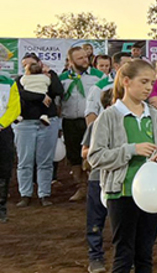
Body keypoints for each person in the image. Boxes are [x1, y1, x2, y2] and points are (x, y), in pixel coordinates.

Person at [87, 59, 157, 273]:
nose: (149, 87)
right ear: (126, 81)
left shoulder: (156, 117)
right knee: (124, 254)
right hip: (121, 193)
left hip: (151, 195)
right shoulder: (109, 117)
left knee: (145, 254)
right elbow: (95, 157)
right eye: (144, 82)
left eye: (152, 82)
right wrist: (130, 150)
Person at [14, 54, 63, 207]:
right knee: (24, 161)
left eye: (31, 64)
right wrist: (41, 96)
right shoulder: (19, 79)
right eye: (25, 65)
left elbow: (58, 90)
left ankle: (44, 194)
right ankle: (25, 194)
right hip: (25, 123)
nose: (28, 67)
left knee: (45, 161)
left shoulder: (48, 78)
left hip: (48, 122)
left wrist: (52, 74)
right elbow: (19, 94)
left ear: (40, 64)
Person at [60, 46, 108, 202]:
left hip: (91, 121)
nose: (85, 60)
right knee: (74, 155)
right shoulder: (63, 78)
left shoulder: (99, 77)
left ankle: (95, 186)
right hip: (70, 122)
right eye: (80, 58)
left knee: (92, 152)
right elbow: (58, 101)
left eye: (85, 57)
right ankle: (81, 187)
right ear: (71, 61)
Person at [83, 88, 115, 273]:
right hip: (99, 177)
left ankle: (126, 255)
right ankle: (95, 256)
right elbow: (85, 152)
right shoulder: (95, 126)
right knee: (96, 219)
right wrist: (108, 154)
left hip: (122, 177)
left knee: (123, 219)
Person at [0, 72, 21, 222]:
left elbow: (14, 108)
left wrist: (2, 124)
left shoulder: (9, 83)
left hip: (3, 130)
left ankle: (1, 209)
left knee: (4, 169)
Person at [16, 61, 54, 126]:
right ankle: (44, 116)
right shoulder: (45, 78)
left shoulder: (25, 78)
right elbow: (48, 83)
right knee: (45, 105)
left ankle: (20, 116)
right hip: (42, 95)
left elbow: (22, 83)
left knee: (24, 105)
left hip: (28, 95)